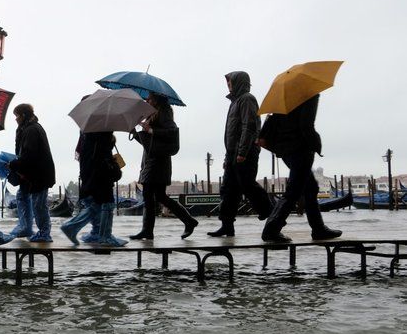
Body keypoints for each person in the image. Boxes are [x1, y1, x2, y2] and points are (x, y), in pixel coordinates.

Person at [259, 94, 341, 243]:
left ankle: (318, 229)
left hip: (285, 150)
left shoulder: (282, 99)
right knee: (293, 191)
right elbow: (306, 125)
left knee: (310, 188)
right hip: (301, 149)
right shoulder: (309, 95)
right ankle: (271, 230)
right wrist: (316, 144)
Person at [209, 71, 273, 236]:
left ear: (238, 82)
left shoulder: (247, 99)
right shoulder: (235, 101)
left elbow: (249, 126)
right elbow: (231, 134)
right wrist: (228, 157)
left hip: (246, 152)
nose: (228, 85)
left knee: (248, 185)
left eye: (230, 82)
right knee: (229, 190)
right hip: (233, 153)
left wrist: (242, 152)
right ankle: (227, 226)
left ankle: (272, 215)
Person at [129, 93, 198, 239]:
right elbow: (149, 145)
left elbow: (172, 132)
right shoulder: (152, 114)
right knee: (159, 196)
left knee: (151, 195)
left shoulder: (164, 113)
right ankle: (188, 221)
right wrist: (135, 134)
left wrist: (151, 130)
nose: (147, 100)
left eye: (150, 98)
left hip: (158, 162)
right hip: (151, 161)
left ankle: (148, 231)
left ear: (157, 100)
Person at [60, 128, 126, 246]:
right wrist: (114, 167)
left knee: (96, 206)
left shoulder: (87, 136)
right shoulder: (101, 136)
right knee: (106, 206)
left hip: (90, 177)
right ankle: (104, 236)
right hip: (101, 178)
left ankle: (94, 233)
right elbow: (103, 159)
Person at [6, 104, 55, 242]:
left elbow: (29, 155)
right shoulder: (25, 129)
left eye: (17, 116)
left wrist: (13, 164)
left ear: (23, 115)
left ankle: (44, 233)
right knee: (22, 196)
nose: (15, 119)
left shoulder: (32, 130)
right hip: (29, 174)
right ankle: (26, 227)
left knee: (39, 204)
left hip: (39, 175)